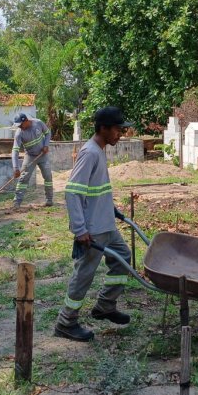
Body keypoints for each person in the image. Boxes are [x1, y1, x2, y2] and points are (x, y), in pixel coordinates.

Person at [55, 106, 133, 342]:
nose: (121, 134)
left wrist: (111, 208)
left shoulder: (99, 150)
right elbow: (72, 192)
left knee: (123, 258)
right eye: (118, 129)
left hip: (106, 224)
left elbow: (95, 190)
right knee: (84, 276)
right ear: (104, 128)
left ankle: (105, 306)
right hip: (93, 230)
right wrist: (80, 230)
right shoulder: (89, 153)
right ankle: (66, 322)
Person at [11, 113, 53, 209]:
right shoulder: (19, 133)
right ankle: (17, 202)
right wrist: (15, 168)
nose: (20, 127)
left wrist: (46, 145)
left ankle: (49, 200)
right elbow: (15, 150)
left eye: (21, 125)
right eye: (18, 126)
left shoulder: (38, 123)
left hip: (43, 155)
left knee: (48, 177)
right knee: (24, 178)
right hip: (30, 156)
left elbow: (47, 133)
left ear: (26, 120)